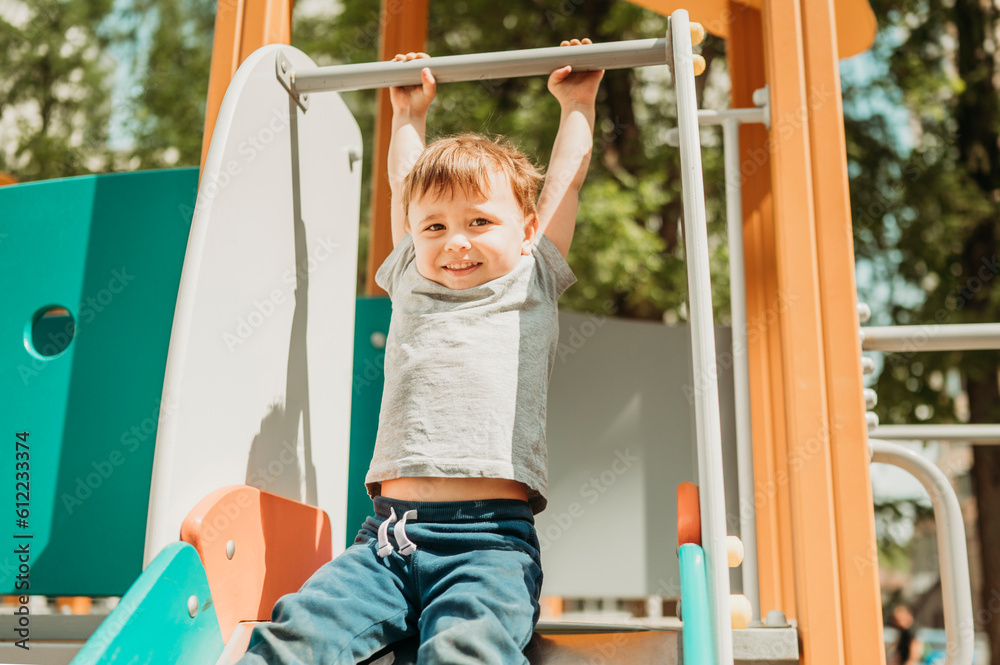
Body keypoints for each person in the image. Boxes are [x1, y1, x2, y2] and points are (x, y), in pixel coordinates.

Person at [237, 40, 603, 665]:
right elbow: (406, 186)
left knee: (469, 647)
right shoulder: (411, 275)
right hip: (384, 538)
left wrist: (577, 103)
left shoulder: (530, 277)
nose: (453, 241)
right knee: (295, 632)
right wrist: (407, 116)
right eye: (435, 227)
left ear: (527, 231)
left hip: (488, 543)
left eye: (479, 222)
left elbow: (564, 183)